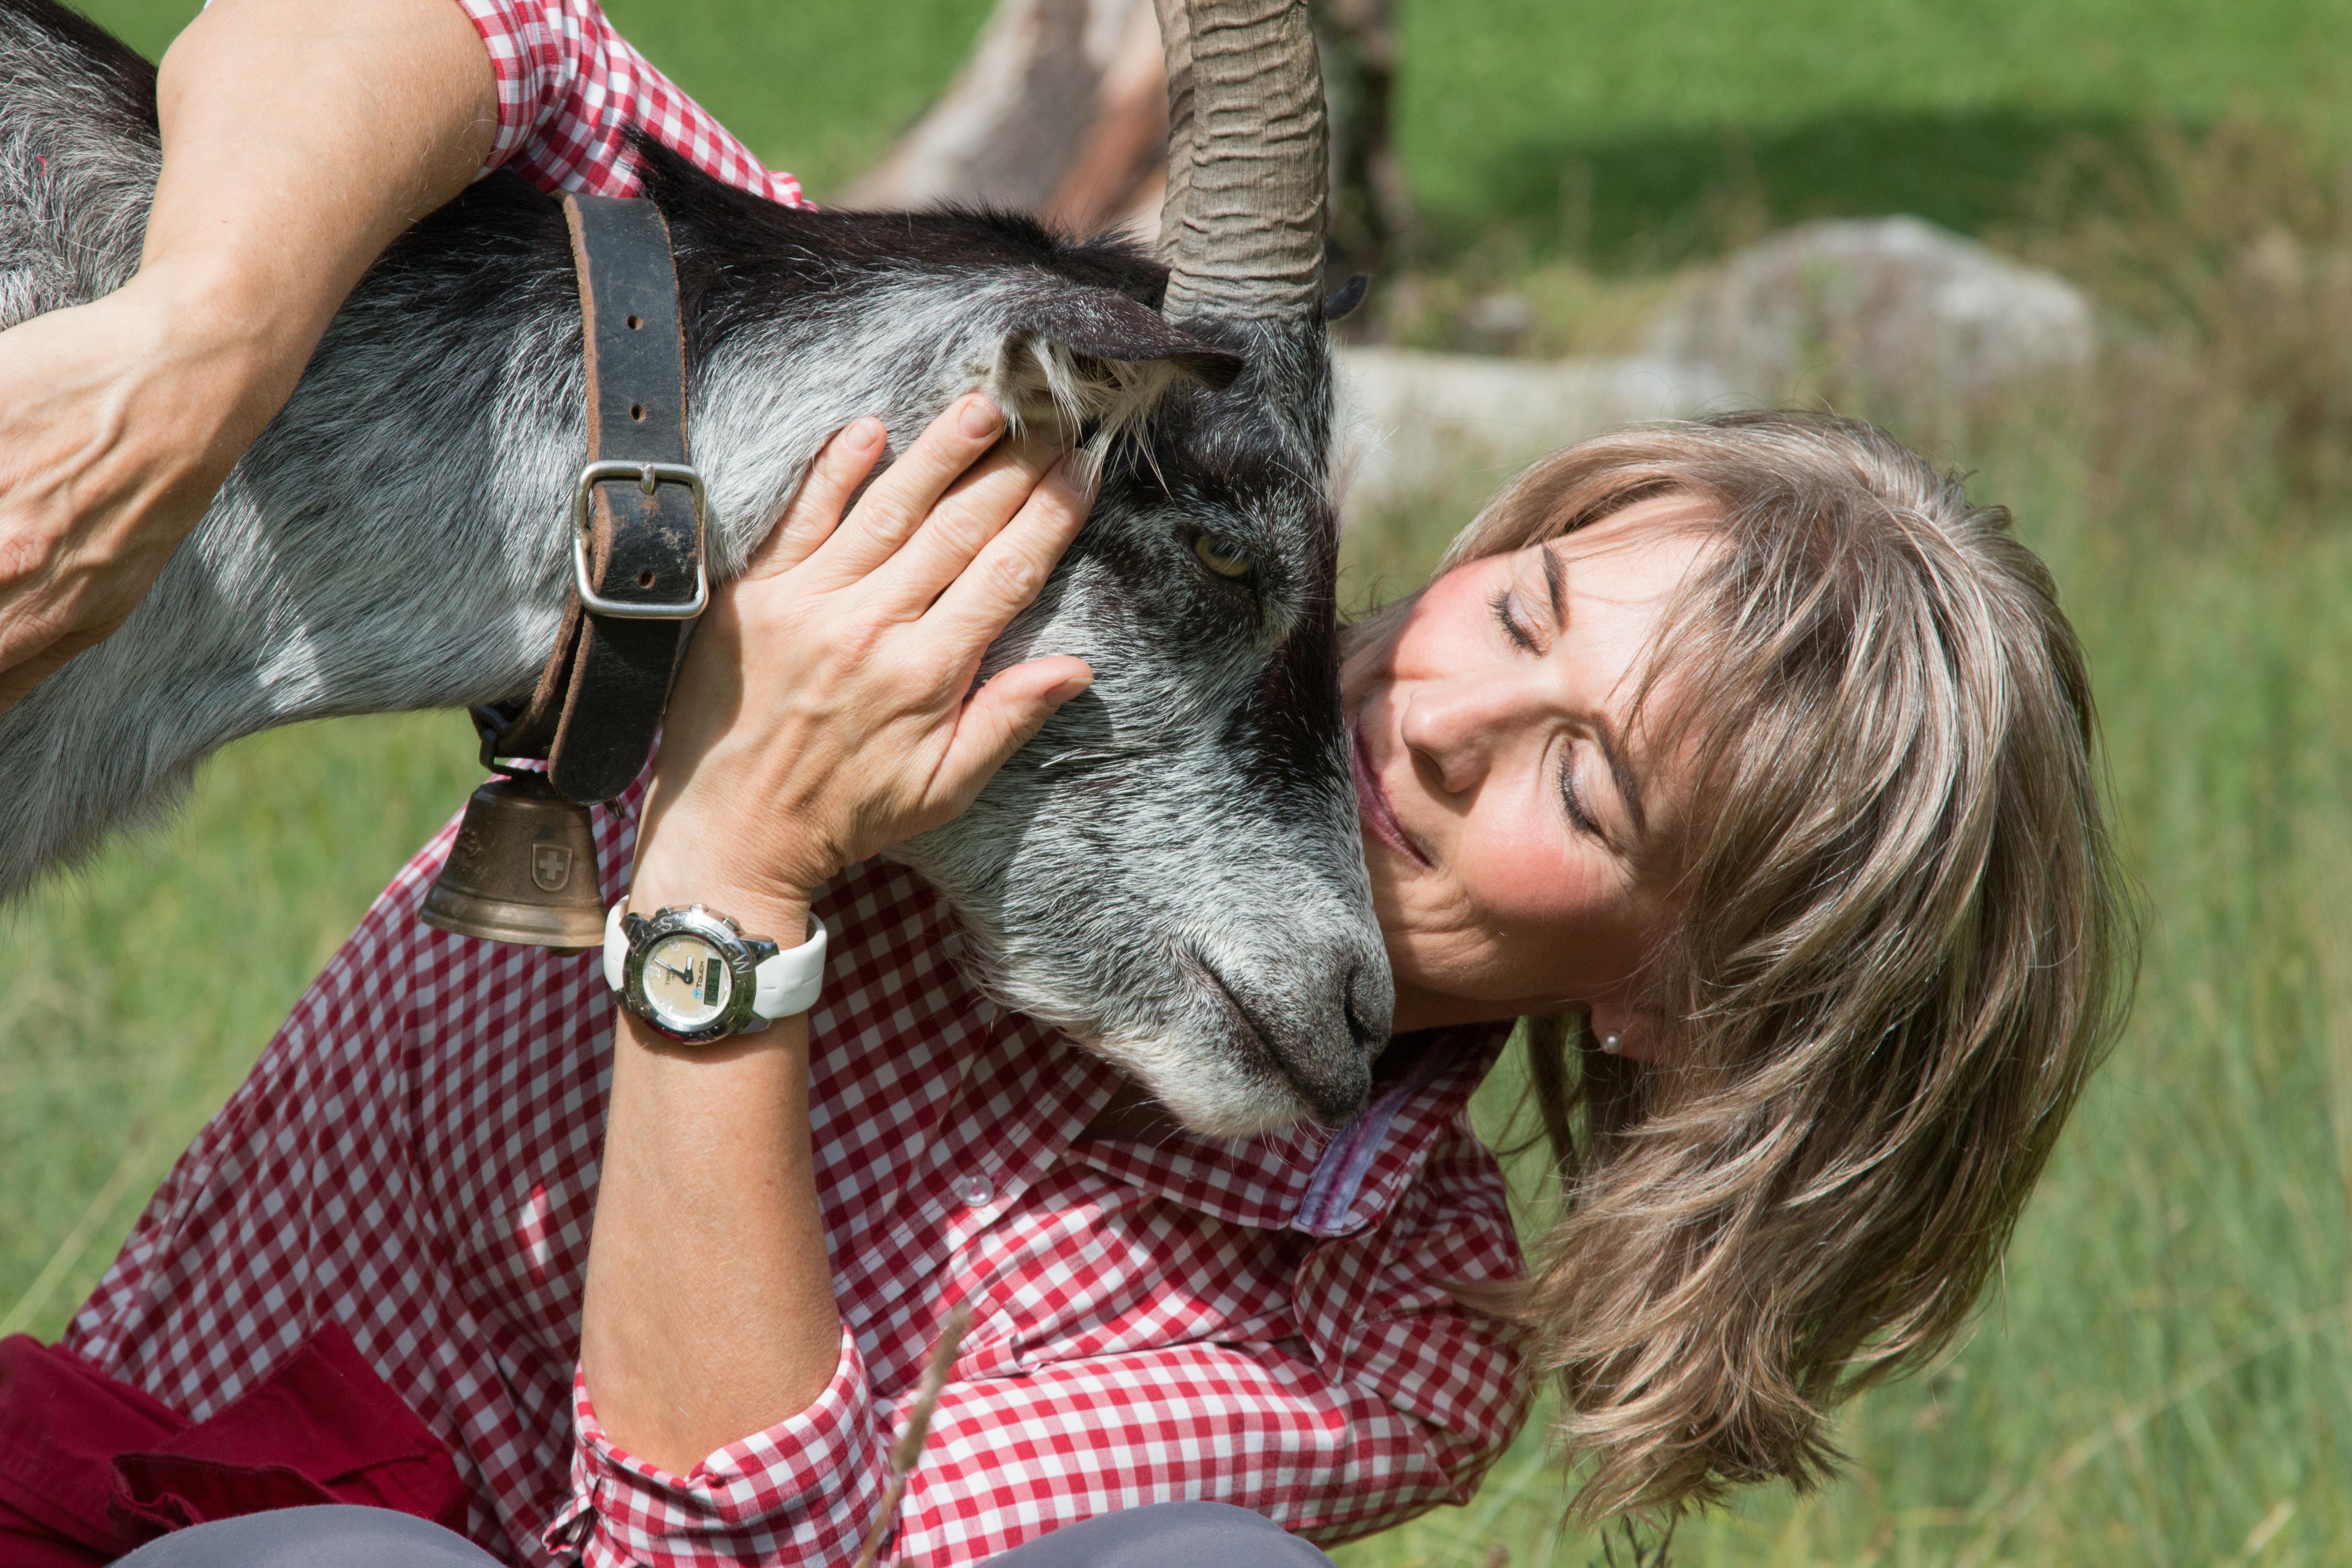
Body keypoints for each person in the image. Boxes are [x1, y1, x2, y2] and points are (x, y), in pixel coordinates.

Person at [0, 0, 2134, 1563]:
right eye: (1520, 615)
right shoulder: (940, 509)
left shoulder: (1388, 1328)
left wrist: (735, 867)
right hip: (147, 1503)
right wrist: (188, 352)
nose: (1449, 717)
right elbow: (489, 37)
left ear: (1688, 1002)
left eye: (1591, 797)